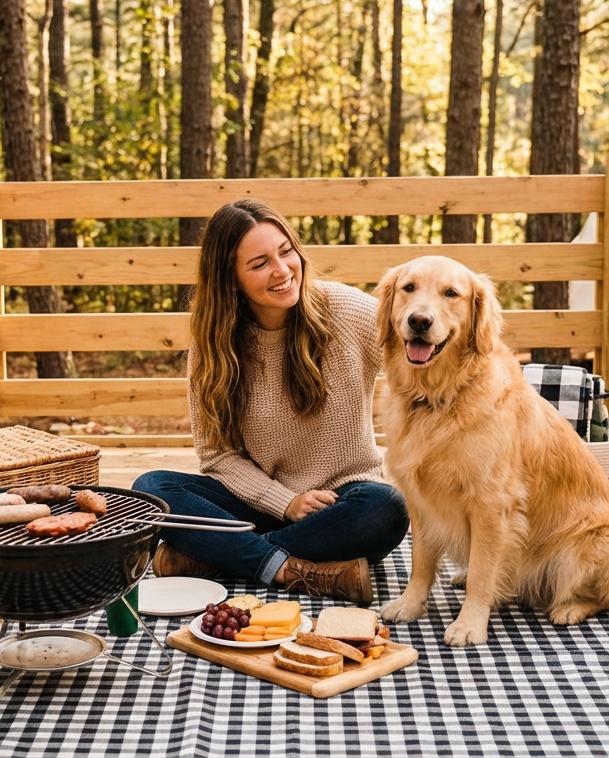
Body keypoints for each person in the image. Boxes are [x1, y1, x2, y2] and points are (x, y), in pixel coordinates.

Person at [132, 199, 409, 604]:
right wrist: (286, 502)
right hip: (260, 500)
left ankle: (218, 559)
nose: (282, 270)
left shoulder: (346, 311)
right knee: (151, 490)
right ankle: (297, 570)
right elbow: (217, 455)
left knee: (386, 508)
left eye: (286, 251)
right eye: (259, 263)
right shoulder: (214, 345)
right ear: (230, 279)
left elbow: (420, 357)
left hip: (343, 501)